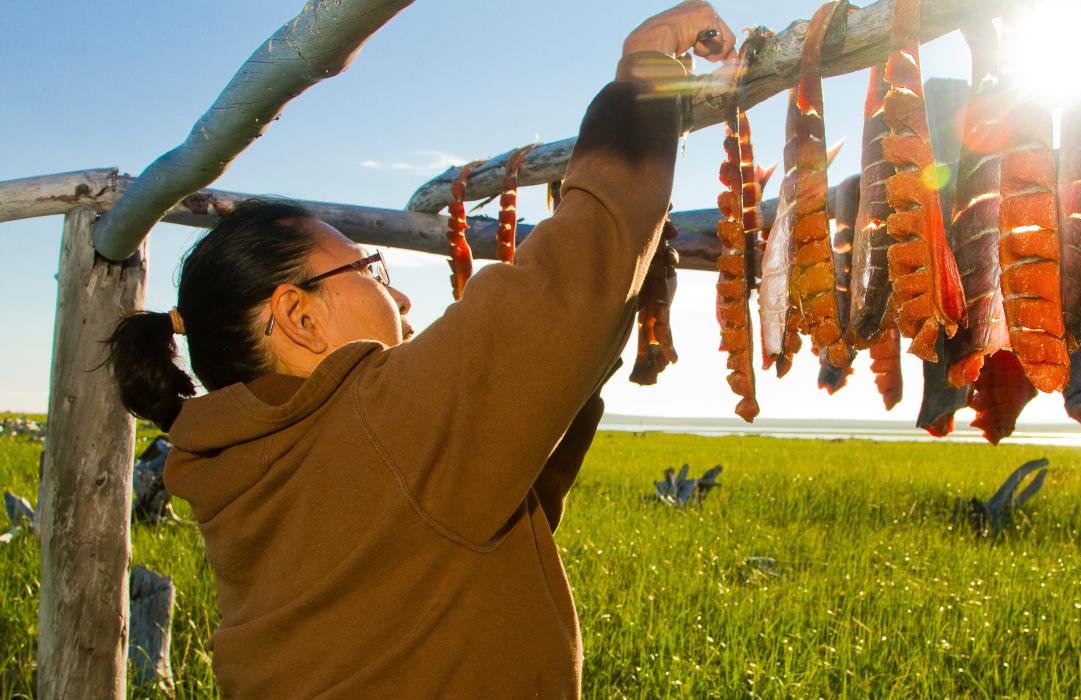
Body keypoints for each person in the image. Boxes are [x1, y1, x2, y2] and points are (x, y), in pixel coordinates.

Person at [106, 2, 736, 697]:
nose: (400, 297)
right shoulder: (381, 426)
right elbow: (587, 257)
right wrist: (646, 63)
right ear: (299, 317)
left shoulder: (243, 464)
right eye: (370, 270)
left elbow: (472, 525)